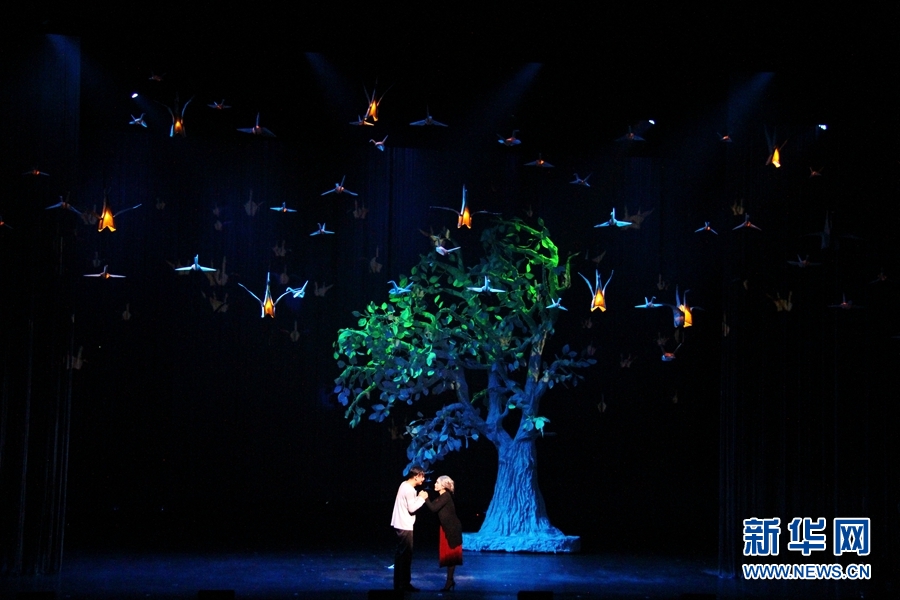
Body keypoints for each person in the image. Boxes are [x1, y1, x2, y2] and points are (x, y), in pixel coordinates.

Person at [390, 466, 428, 592]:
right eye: (422, 476)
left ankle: (400, 584)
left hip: (400, 524)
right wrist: (421, 498)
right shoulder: (410, 490)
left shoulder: (404, 485)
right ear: (416, 476)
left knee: (401, 556)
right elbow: (412, 508)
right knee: (405, 556)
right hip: (405, 525)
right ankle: (404, 584)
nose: (423, 479)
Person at [424, 475, 462, 591]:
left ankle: (450, 581)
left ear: (443, 485)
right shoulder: (442, 497)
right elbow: (434, 506)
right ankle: (450, 580)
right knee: (448, 556)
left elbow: (433, 508)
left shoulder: (446, 496)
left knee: (451, 556)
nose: (435, 484)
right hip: (446, 528)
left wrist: (425, 498)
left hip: (452, 529)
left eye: (437, 482)